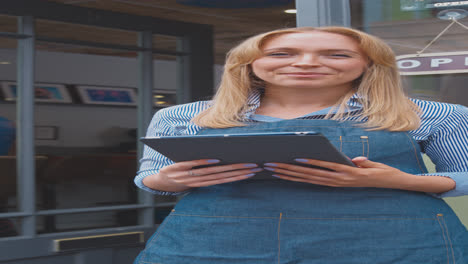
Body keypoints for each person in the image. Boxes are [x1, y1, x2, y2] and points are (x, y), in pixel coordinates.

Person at [134, 26, 468, 263]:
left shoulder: (435, 114)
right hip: (213, 245)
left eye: (337, 54)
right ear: (247, 63)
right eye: (282, 53)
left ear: (369, 64)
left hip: (395, 247)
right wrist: (167, 181)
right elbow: (150, 176)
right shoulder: (183, 116)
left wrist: (401, 181)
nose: (306, 63)